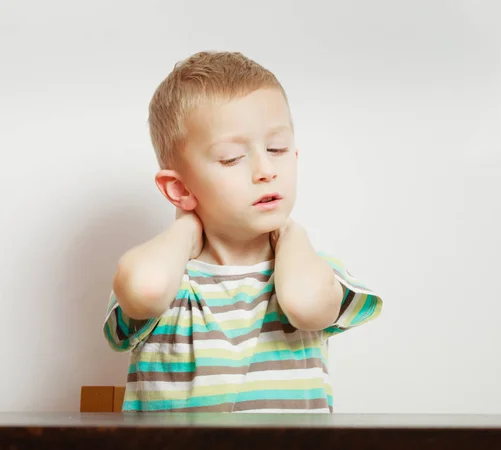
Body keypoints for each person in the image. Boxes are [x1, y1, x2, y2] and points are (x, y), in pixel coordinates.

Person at [102, 51, 383, 412]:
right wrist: (186, 230)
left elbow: (306, 305)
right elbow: (144, 289)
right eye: (232, 157)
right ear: (180, 189)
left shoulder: (310, 268)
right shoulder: (169, 278)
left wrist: (291, 233)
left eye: (277, 149)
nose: (266, 169)